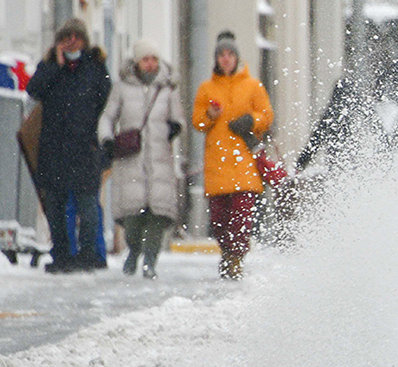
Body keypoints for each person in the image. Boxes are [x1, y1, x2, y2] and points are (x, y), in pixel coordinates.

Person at [28, 18, 112, 273]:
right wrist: (55, 66)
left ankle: (87, 254)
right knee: (54, 207)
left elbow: (104, 102)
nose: (72, 42)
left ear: (85, 42)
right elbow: (34, 89)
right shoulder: (50, 67)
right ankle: (61, 255)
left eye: (77, 37)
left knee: (87, 208)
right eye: (66, 38)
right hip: (54, 150)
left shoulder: (95, 68)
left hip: (85, 149)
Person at [192, 30, 274, 280]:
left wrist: (251, 120)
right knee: (219, 221)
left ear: (237, 57)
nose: (226, 59)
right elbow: (197, 121)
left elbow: (267, 116)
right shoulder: (207, 89)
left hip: (244, 165)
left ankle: (236, 258)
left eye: (230, 54)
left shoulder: (252, 86)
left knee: (241, 219)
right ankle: (227, 253)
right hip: (217, 165)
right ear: (216, 59)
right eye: (221, 55)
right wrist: (210, 117)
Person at [98, 39, 182, 278]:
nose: (150, 64)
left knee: (158, 215)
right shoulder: (122, 87)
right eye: (145, 59)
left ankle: (150, 261)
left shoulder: (167, 88)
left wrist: (175, 127)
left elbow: (178, 118)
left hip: (159, 159)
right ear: (136, 62)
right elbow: (107, 117)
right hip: (130, 159)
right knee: (133, 217)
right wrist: (107, 139)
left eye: (154, 59)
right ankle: (134, 250)